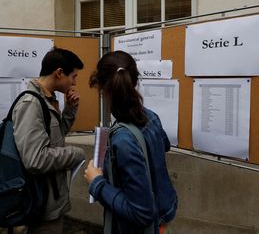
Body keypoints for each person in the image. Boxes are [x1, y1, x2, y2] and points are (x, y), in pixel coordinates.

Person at [84, 50, 178, 234]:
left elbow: (141, 213)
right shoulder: (151, 116)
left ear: (103, 91)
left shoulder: (123, 140)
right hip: (163, 215)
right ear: (134, 82)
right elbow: (164, 145)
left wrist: (96, 182)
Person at [11, 47, 86, 233]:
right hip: (40, 205)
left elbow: (56, 137)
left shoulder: (48, 100)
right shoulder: (31, 104)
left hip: (50, 199)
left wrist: (70, 110)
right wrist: (76, 153)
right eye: (74, 76)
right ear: (59, 73)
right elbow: (35, 159)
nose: (75, 82)